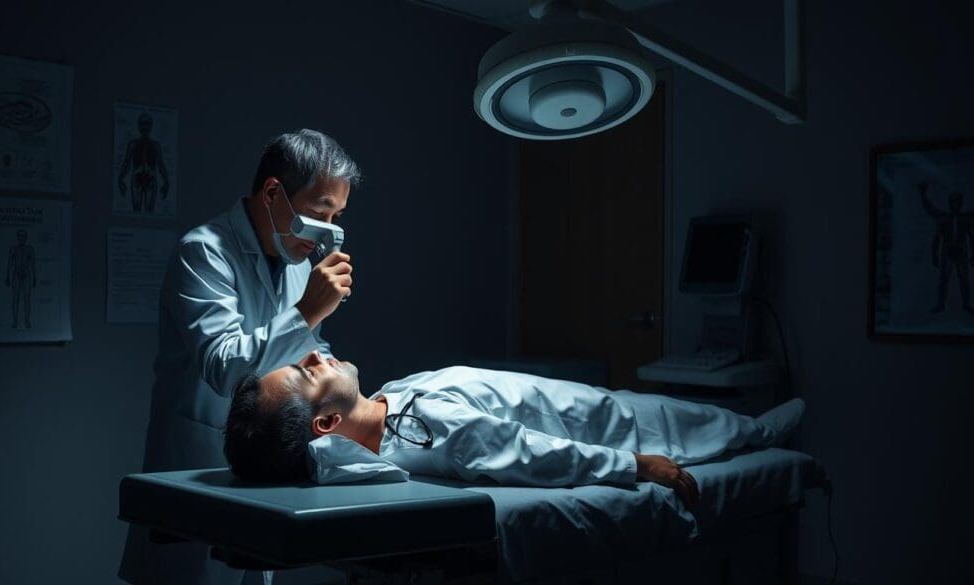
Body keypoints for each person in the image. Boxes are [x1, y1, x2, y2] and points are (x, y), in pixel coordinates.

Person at [119, 130, 360, 585]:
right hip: (195, 465)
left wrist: (336, 378)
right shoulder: (203, 252)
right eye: (318, 212)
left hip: (261, 469)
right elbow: (226, 368)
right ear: (273, 193)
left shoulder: (299, 264)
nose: (328, 230)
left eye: (338, 216)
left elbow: (304, 349)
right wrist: (308, 309)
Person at [224, 351, 806, 508]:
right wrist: (636, 466)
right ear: (326, 422)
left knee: (653, 406)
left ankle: (747, 429)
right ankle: (755, 435)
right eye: (306, 373)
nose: (313, 356)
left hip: (580, 402)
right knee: (679, 424)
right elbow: (530, 454)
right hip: (596, 426)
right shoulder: (426, 430)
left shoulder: (391, 406)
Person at [919, 182, 974, 313]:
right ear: (950, 203)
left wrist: (973, 254)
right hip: (947, 252)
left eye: (958, 201)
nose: (956, 204)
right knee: (943, 280)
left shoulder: (965, 218)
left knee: (964, 280)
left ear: (961, 203)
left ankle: (966, 305)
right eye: (953, 201)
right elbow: (930, 211)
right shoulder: (943, 217)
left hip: (961, 252)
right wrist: (934, 255)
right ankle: (940, 305)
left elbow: (972, 237)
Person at [117, 112, 171, 214]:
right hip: (136, 177)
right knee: (136, 210)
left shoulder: (155, 145)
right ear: (138, 125)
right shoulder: (133, 144)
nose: (144, 127)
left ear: (150, 126)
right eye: (142, 124)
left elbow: (161, 164)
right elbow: (126, 162)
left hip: (150, 177)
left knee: (149, 211)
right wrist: (120, 179)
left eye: (147, 124)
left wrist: (166, 182)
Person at [6, 229, 36, 328]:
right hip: (16, 274)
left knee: (26, 299)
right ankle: (15, 321)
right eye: (20, 236)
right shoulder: (13, 249)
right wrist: (7, 276)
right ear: (18, 237)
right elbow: (10, 263)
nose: (21, 238)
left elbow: (32, 264)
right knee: (16, 298)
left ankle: (27, 321)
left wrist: (34, 277)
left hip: (26, 274)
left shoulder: (30, 249)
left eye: (23, 236)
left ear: (26, 238)